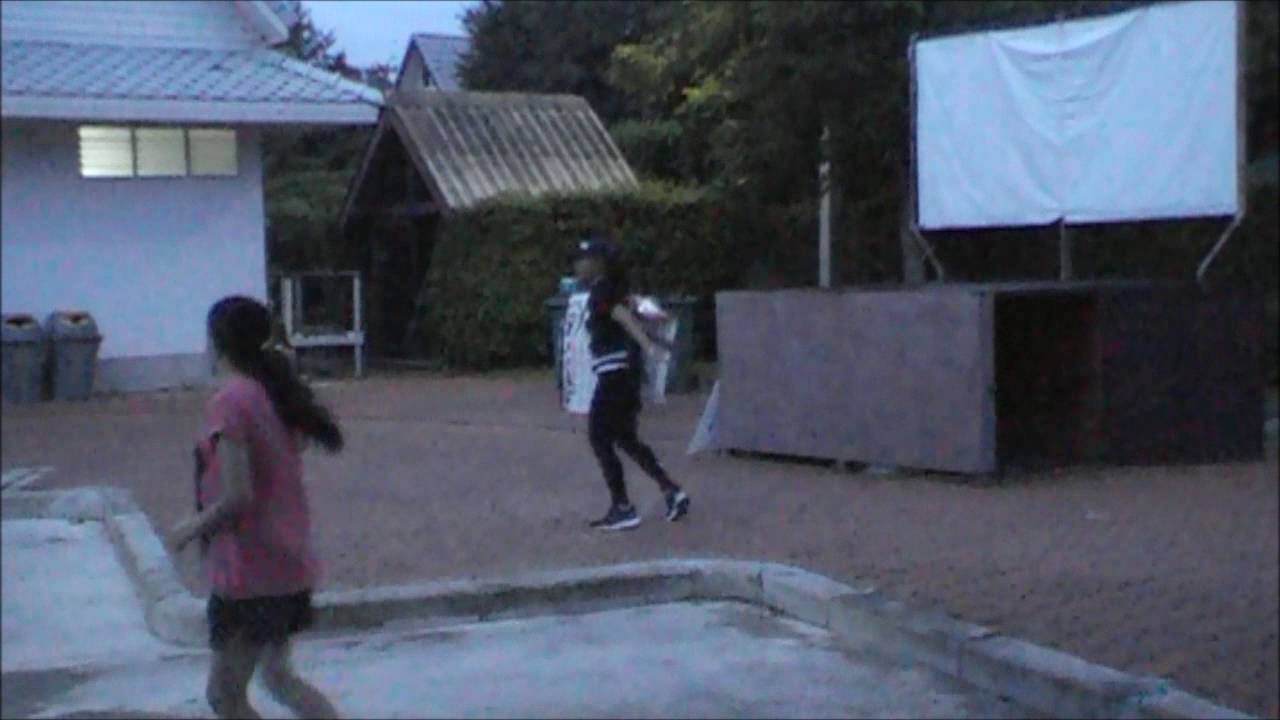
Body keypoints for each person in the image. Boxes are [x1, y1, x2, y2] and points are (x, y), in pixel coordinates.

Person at [168, 296, 341, 720]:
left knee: (225, 695)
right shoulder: (273, 394)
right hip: (287, 562)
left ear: (217, 343)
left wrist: (189, 528)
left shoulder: (231, 402)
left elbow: (238, 496)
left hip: (250, 573)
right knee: (278, 677)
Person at [572, 235, 691, 531]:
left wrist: (648, 345)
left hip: (615, 372)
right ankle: (672, 490)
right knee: (625, 437)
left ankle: (622, 507)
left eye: (584, 260)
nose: (578, 265)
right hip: (625, 372)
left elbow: (624, 317)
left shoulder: (602, 291)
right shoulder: (614, 290)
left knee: (599, 435)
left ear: (598, 264)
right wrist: (656, 339)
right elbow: (633, 314)